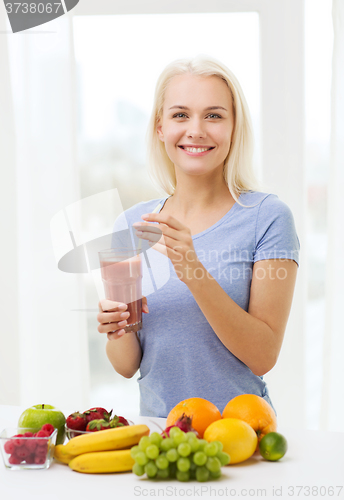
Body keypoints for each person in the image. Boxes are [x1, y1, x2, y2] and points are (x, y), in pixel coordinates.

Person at [96, 56, 300, 418]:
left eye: (214, 115)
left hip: (242, 439)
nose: (196, 130)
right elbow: (127, 365)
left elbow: (262, 357)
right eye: (180, 115)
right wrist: (117, 331)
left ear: (234, 127)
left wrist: (191, 269)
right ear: (160, 127)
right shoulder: (130, 224)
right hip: (160, 439)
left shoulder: (268, 218)